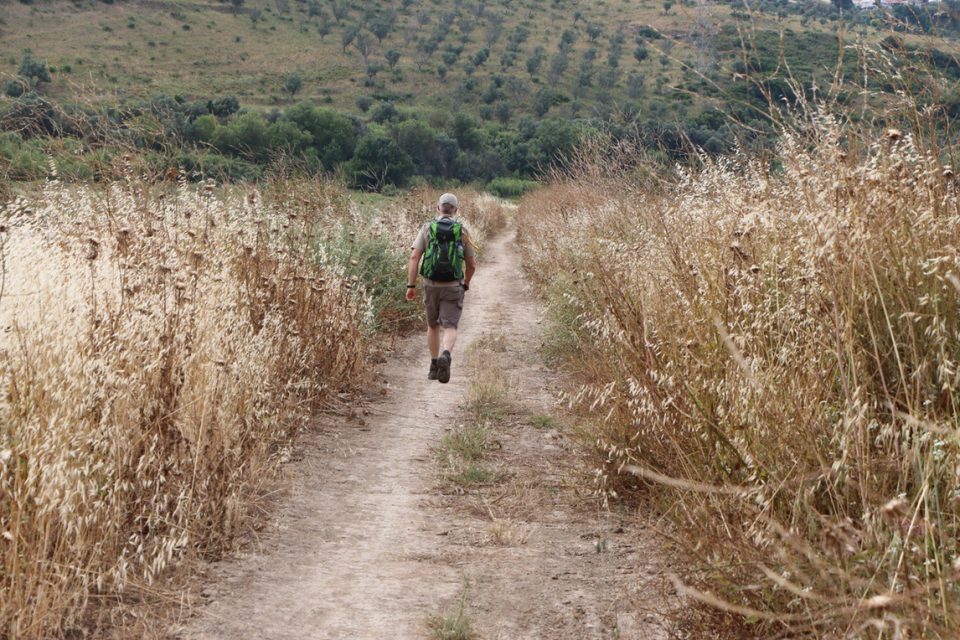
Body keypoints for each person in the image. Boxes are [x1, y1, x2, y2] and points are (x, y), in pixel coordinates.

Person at [405, 193, 477, 383]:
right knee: (450, 325)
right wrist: (466, 283)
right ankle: (446, 353)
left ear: (438, 208)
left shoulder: (427, 227)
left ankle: (434, 364)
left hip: (430, 284)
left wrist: (411, 285)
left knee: (432, 325)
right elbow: (472, 264)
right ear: (455, 210)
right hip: (453, 285)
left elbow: (414, 257)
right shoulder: (462, 231)